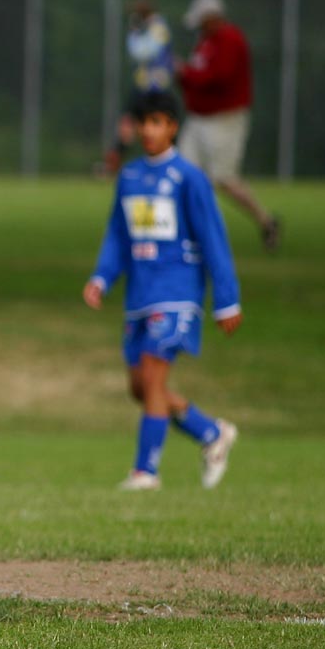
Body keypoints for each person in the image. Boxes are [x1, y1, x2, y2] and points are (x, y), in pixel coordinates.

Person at [83, 91, 240, 492]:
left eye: (158, 122)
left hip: (177, 292)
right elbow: (119, 234)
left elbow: (214, 240)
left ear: (172, 126)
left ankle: (145, 472)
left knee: (153, 374)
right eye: (143, 123)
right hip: (139, 294)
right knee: (140, 387)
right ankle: (211, 433)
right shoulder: (131, 177)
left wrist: (227, 300)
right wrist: (102, 277)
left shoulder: (189, 178)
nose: (149, 130)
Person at [175, 0, 281, 251]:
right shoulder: (205, 42)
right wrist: (182, 75)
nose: (199, 27)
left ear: (212, 18)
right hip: (198, 118)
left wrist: (186, 73)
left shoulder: (231, 40)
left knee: (223, 178)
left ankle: (266, 221)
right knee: (182, 173)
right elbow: (195, 78)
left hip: (224, 119)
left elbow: (217, 77)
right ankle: (189, 235)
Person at [105, 0, 175, 174]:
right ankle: (113, 162)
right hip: (142, 87)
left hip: (157, 88)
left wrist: (134, 33)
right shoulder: (149, 28)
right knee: (127, 123)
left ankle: (167, 162)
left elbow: (142, 52)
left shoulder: (158, 28)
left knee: (160, 125)